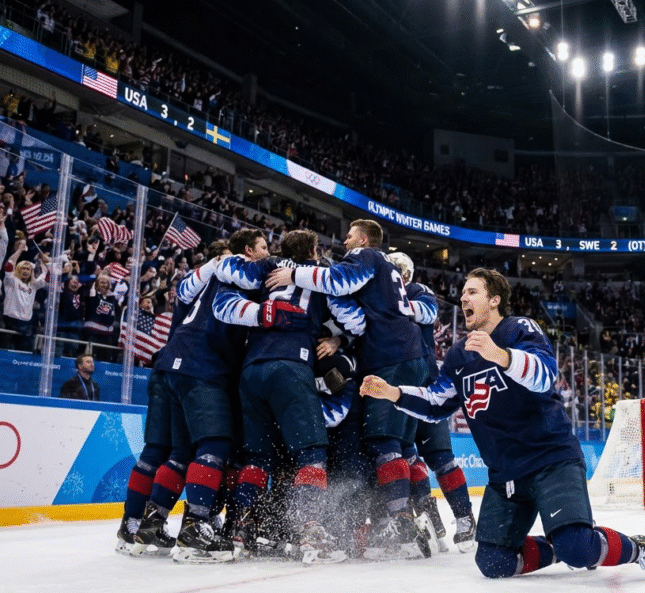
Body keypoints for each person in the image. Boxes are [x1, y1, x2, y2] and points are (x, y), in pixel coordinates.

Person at [360, 267, 645, 580]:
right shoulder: (459, 355)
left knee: (578, 547)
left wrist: (502, 356)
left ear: (494, 300)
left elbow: (544, 375)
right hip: (506, 475)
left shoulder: (519, 329)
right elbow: (436, 403)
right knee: (493, 562)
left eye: (472, 292)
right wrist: (393, 393)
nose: (463, 298)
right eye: (462, 293)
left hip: (551, 460)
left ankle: (637, 548)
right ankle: (556, 549)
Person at [265, 220, 434, 561]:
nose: (344, 240)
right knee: (402, 446)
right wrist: (340, 338)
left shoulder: (365, 255)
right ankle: (409, 522)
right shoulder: (385, 268)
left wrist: (292, 275)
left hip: (389, 357)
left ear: (365, 239)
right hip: (410, 356)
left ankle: (401, 526)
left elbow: (338, 282)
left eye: (350, 234)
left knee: (383, 443)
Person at [214, 229, 364, 565]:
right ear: (314, 252)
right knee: (311, 453)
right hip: (292, 365)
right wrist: (339, 340)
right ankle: (309, 530)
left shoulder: (268, 267)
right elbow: (354, 321)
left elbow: (231, 273)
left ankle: (240, 528)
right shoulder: (322, 276)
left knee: (257, 457)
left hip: (251, 369)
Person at [117, 236, 249, 562]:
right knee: (208, 447)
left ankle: (142, 524)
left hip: (168, 367)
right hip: (197, 369)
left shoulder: (195, 286)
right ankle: (193, 523)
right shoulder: (223, 284)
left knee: (170, 452)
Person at [388, 251, 475, 553]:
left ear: (406, 274)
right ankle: (432, 519)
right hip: (399, 385)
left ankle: (464, 518)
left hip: (422, 385)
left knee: (438, 456)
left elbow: (425, 314)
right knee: (407, 455)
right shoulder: (395, 293)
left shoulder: (416, 292)